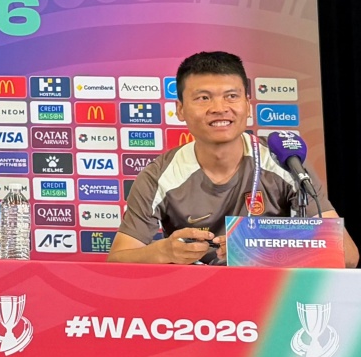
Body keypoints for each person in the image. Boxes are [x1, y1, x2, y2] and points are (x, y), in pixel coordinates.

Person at [108, 50, 358, 266]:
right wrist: (162, 252)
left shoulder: (284, 163)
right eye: (203, 98)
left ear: (247, 106)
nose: (219, 108)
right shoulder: (159, 175)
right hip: (193, 297)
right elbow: (118, 260)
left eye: (231, 96)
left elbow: (347, 255)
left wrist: (255, 247)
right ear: (180, 109)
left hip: (273, 296)